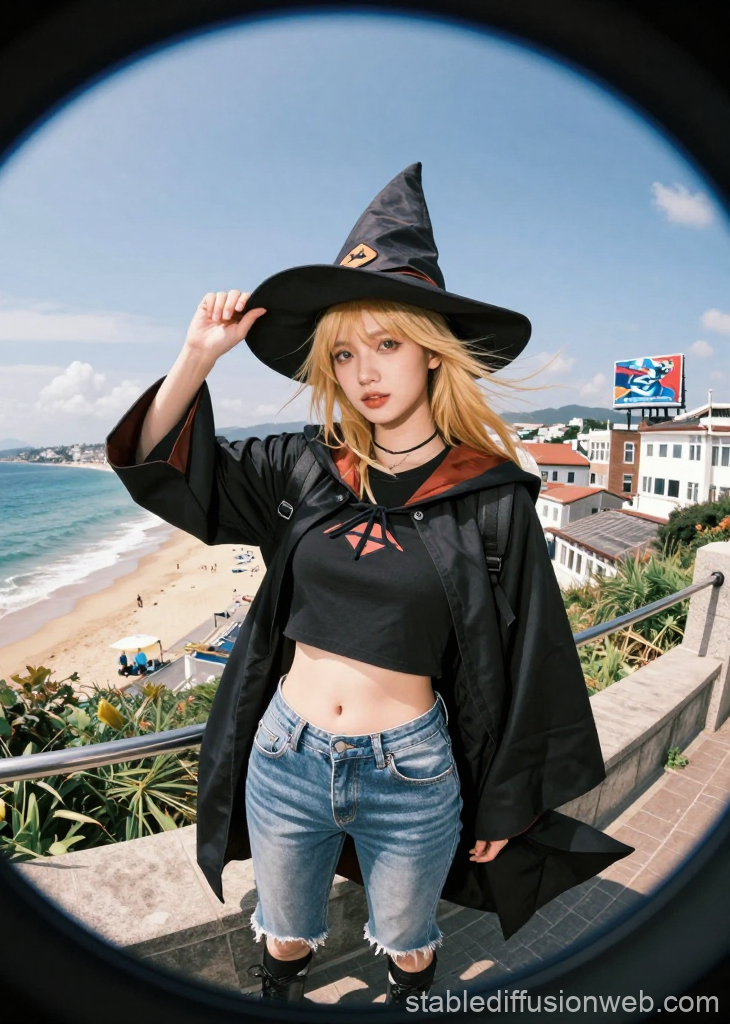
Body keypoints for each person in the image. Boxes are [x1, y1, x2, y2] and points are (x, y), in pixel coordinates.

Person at [106, 164, 632, 1005]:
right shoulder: (305, 468)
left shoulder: (490, 498)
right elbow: (180, 476)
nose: (364, 371)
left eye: (386, 343)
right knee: (281, 936)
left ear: (432, 350)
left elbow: (533, 655)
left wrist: (509, 808)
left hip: (414, 770)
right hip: (286, 755)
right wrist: (195, 359)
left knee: (410, 941)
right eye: (343, 352)